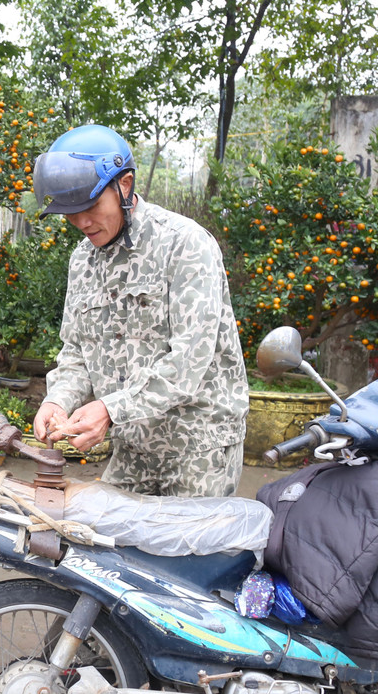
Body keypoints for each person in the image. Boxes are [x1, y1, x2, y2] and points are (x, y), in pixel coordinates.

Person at [30, 123, 249, 497]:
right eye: (70, 213)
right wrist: (58, 400)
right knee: (106, 549)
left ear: (124, 186)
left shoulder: (185, 244)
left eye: (91, 206)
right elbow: (76, 352)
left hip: (198, 448)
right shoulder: (83, 259)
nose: (82, 222)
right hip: (132, 446)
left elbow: (189, 360)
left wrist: (109, 410)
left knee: (186, 553)